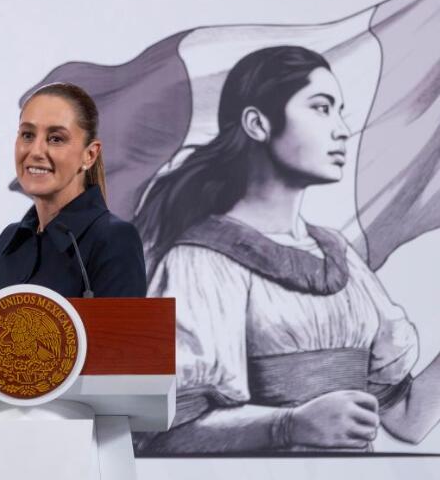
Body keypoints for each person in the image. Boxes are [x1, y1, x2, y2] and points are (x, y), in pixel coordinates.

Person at [132, 46, 440, 453]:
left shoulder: (341, 257)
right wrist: (288, 425)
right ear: (257, 123)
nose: (342, 130)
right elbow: (164, 433)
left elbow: (407, 419)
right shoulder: (199, 262)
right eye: (321, 108)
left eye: (340, 111)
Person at [0, 82, 147, 298]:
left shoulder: (114, 239)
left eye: (56, 139)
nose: (36, 151)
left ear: (89, 155)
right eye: (27, 135)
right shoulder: (9, 242)